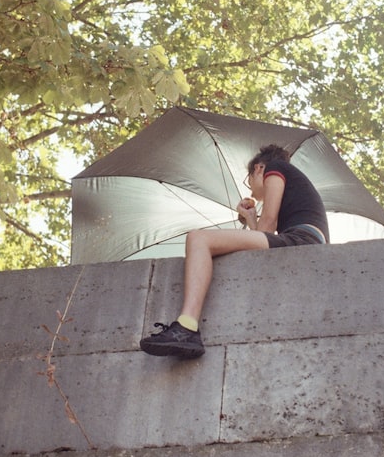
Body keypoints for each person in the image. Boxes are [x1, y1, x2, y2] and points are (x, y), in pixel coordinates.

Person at [139, 143, 329, 359]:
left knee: (198, 238)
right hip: (301, 240)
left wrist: (252, 224)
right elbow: (265, 239)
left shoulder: (275, 168)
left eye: (250, 183)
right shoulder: (292, 182)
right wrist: (250, 218)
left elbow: (269, 222)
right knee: (203, 240)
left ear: (258, 169)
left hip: (302, 239)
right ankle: (186, 327)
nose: (253, 193)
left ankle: (187, 326)